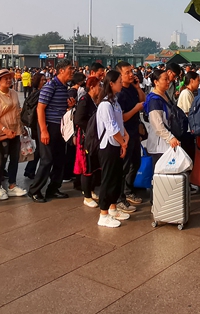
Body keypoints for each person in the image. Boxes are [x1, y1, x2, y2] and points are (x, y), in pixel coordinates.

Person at [28, 60, 74, 203]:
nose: (72, 72)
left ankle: (53, 188)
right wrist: (43, 131)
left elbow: (59, 108)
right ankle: (35, 190)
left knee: (60, 159)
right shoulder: (51, 86)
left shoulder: (64, 87)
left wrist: (70, 105)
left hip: (60, 128)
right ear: (61, 71)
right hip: (49, 126)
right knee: (47, 160)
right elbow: (40, 108)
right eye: (69, 69)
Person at [0, 68, 27, 199]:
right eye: (6, 79)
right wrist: (4, 130)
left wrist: (22, 127)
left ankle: (12, 185)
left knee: (15, 159)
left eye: (10, 78)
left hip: (15, 131)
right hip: (2, 133)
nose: (9, 80)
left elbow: (17, 111)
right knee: (2, 159)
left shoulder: (14, 93)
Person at [96, 70, 129, 228]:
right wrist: (122, 142)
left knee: (116, 177)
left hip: (117, 143)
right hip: (108, 145)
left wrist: (125, 137)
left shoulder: (115, 101)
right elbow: (111, 127)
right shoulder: (105, 104)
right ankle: (103, 214)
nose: (122, 84)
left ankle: (112, 208)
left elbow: (119, 123)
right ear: (111, 83)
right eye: (119, 81)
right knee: (108, 179)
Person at [116, 61, 146, 210]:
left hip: (134, 131)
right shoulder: (119, 94)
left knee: (136, 162)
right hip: (124, 133)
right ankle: (120, 197)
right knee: (124, 166)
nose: (130, 74)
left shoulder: (132, 89)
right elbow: (122, 117)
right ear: (120, 75)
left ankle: (128, 190)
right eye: (127, 72)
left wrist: (137, 87)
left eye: (131, 71)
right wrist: (135, 109)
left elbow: (143, 99)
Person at [75, 76, 103, 208]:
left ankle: (90, 191)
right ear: (92, 87)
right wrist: (91, 128)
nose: (100, 88)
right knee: (86, 167)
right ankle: (86, 196)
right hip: (85, 139)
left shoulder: (92, 100)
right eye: (99, 85)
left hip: (92, 138)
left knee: (94, 166)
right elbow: (78, 120)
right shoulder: (84, 100)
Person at [144, 69, 180, 170]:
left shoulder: (164, 95)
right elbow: (157, 125)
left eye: (168, 79)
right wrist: (170, 137)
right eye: (165, 79)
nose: (168, 81)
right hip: (159, 146)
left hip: (167, 144)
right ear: (156, 82)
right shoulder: (154, 100)